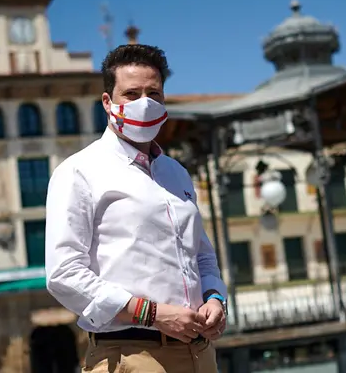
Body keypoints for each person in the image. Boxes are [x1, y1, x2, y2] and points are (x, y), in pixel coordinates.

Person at [45, 44, 227, 372]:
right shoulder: (79, 171)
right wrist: (153, 314)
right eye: (132, 93)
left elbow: (202, 255)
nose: (145, 103)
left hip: (200, 354)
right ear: (108, 102)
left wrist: (215, 297)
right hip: (130, 354)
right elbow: (63, 273)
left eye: (153, 93)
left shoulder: (176, 172)